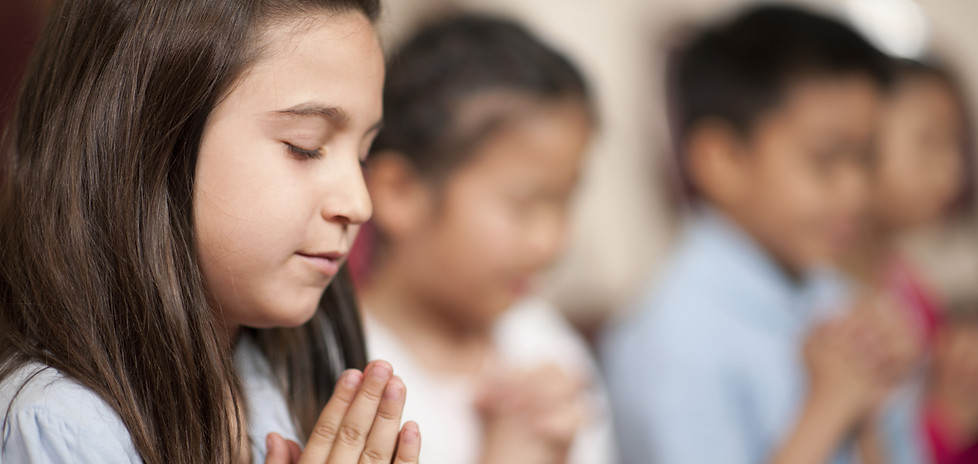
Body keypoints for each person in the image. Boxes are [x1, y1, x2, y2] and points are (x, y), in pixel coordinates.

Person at [0, 1, 420, 463]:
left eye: (362, 154)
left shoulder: (281, 379)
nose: (359, 204)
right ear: (148, 140)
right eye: (306, 147)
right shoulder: (62, 427)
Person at [602, 5, 925, 464]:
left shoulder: (840, 299)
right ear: (722, 160)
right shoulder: (671, 343)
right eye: (826, 158)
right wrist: (828, 410)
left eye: (866, 158)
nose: (856, 191)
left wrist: (873, 411)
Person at [349, 15, 616, 464]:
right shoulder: (345, 379)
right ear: (400, 192)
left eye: (564, 202)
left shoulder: (545, 343)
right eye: (524, 206)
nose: (550, 242)